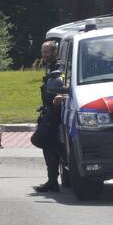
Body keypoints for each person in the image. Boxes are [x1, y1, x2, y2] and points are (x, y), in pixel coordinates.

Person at [35, 40, 66, 193]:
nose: (44, 55)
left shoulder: (59, 68)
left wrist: (60, 96)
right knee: (49, 148)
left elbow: (63, 85)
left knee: (50, 146)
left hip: (56, 114)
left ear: (55, 52)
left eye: (46, 52)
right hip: (49, 111)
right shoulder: (50, 68)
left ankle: (54, 181)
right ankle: (52, 180)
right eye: (43, 52)